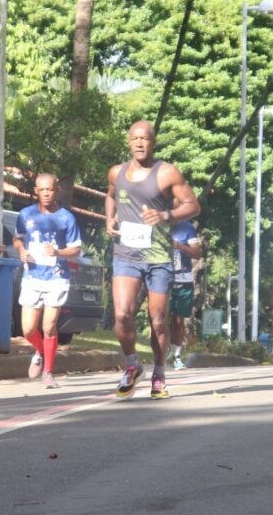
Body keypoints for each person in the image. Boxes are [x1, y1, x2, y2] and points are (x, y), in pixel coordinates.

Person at [105, 121, 200, 399]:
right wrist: (110, 219)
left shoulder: (167, 172)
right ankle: (133, 365)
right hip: (126, 254)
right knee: (122, 314)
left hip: (158, 257)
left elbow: (193, 206)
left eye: (144, 138)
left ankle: (159, 373)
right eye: (134, 138)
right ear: (128, 141)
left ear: (153, 142)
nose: (139, 143)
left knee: (158, 321)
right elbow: (110, 197)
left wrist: (166, 216)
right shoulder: (116, 172)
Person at [13, 173, 82, 388]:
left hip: (56, 277)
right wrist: (21, 251)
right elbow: (18, 238)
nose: (45, 193)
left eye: (49, 189)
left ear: (56, 190)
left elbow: (76, 250)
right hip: (32, 275)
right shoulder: (25, 214)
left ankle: (49, 373)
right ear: (36, 191)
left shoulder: (66, 218)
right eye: (42, 190)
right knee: (28, 330)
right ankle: (41, 351)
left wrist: (58, 252)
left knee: (49, 326)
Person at [169, 217, 202, 370]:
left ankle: (176, 355)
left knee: (178, 320)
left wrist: (179, 246)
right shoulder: (157, 223)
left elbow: (196, 253)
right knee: (158, 317)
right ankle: (161, 352)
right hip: (162, 279)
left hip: (183, 279)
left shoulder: (187, 227)